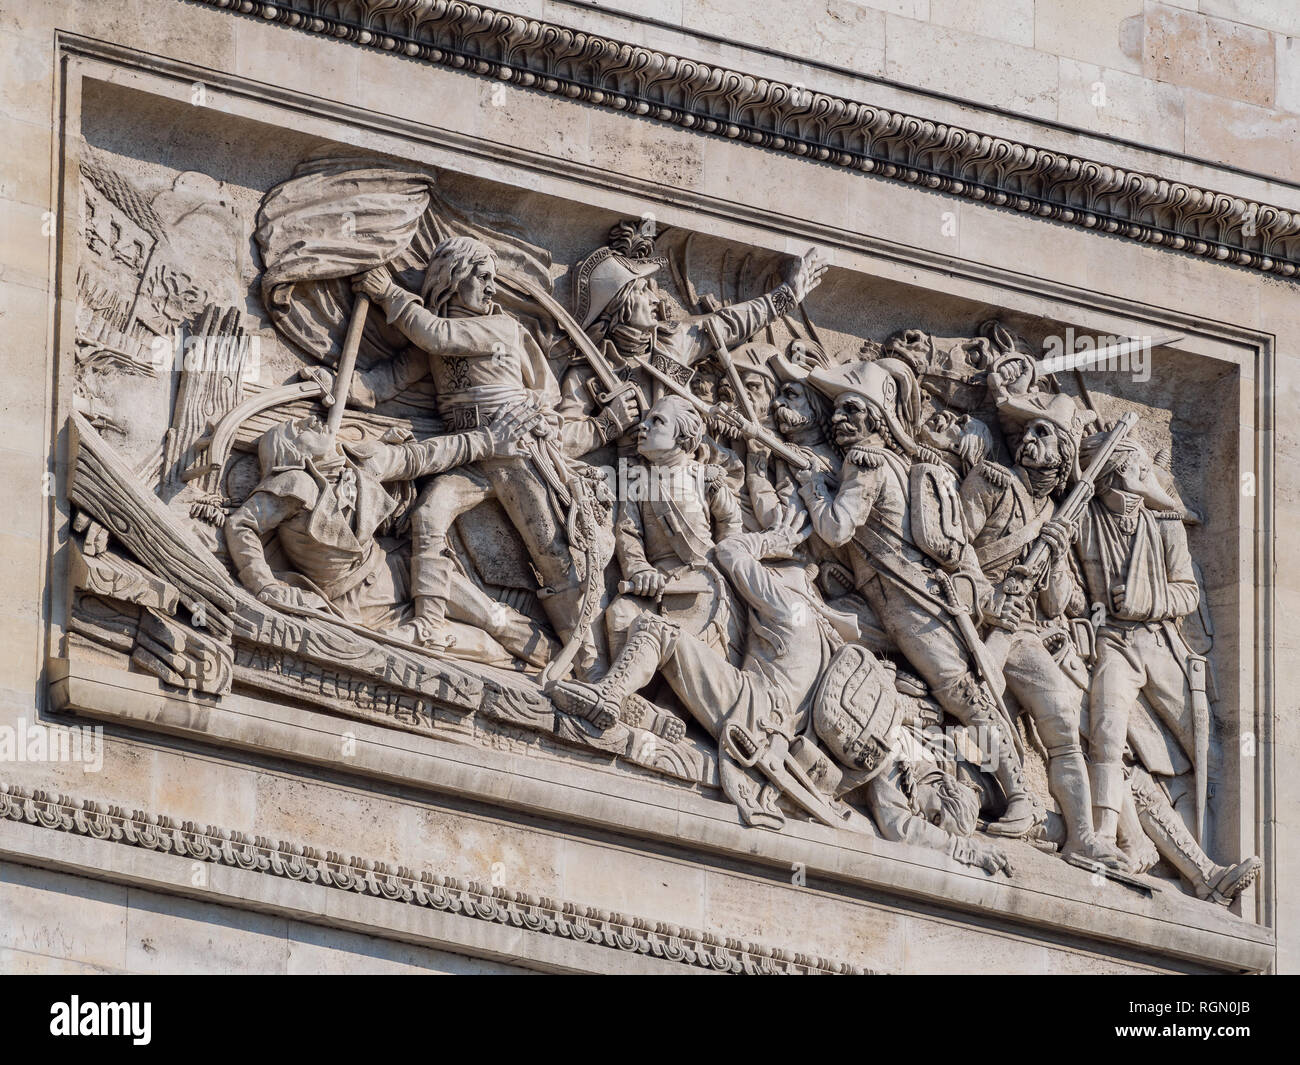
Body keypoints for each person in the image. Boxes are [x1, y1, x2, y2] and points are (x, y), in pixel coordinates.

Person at [349, 237, 608, 666]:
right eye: (482, 277)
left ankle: (585, 659)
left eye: (493, 278)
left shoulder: (496, 327)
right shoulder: (439, 335)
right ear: (453, 278)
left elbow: (439, 336)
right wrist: (334, 388)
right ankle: (429, 622)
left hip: (517, 451)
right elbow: (388, 381)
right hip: (470, 454)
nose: (491, 288)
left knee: (551, 552)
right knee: (429, 514)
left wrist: (388, 293)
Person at [224, 405, 554, 667]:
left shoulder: (361, 463)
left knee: (493, 616)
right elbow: (241, 525)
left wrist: (488, 441)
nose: (311, 421)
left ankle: (568, 665)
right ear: (292, 453)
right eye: (298, 429)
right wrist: (264, 585)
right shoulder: (294, 486)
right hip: (364, 606)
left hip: (398, 567)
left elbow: (423, 456)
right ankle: (535, 672)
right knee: (481, 646)